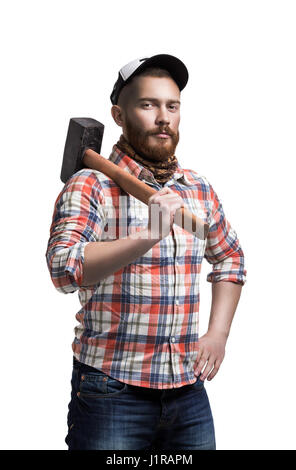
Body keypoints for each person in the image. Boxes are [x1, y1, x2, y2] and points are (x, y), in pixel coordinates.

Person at [45, 54, 247, 450]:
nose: (163, 117)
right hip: (111, 392)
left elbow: (230, 257)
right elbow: (63, 269)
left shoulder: (197, 189)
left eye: (172, 106)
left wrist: (218, 333)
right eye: (147, 104)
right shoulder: (91, 186)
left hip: (188, 392)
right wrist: (148, 234)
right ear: (118, 115)